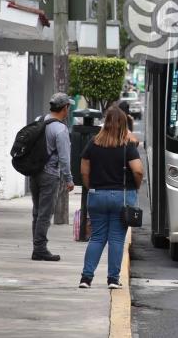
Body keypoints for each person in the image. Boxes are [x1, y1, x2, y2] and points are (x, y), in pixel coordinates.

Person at [78, 107, 144, 289]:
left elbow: (84, 171)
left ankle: (86, 278)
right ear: (124, 125)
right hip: (121, 197)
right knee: (116, 239)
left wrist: (91, 186)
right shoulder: (127, 147)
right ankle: (113, 279)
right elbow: (138, 170)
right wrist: (136, 187)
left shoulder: (92, 144)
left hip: (97, 195)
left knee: (97, 237)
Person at [31, 92, 75, 262]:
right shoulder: (60, 129)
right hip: (50, 175)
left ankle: (37, 247)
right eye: (68, 106)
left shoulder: (39, 120)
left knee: (37, 212)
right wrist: (69, 179)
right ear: (65, 108)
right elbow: (64, 158)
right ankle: (40, 249)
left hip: (34, 173)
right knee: (44, 213)